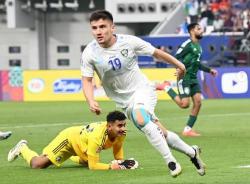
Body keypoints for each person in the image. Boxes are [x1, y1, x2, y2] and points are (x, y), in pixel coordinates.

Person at [80, 10, 206, 177]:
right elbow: (87, 80)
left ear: (112, 27)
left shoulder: (129, 42)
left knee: (140, 116)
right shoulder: (90, 52)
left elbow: (157, 53)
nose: (98, 31)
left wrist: (180, 65)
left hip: (143, 90)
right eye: (94, 28)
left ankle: (171, 162)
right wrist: (90, 100)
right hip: (124, 102)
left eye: (103, 27)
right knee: (161, 132)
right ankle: (192, 153)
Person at [8, 111, 138, 170]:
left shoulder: (121, 134)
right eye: (119, 126)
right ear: (109, 126)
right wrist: (111, 167)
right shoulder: (97, 137)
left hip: (83, 144)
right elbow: (93, 167)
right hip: (69, 139)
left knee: (90, 161)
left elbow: (118, 149)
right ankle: (22, 148)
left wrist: (121, 162)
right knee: (38, 164)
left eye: (124, 125)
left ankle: (78, 157)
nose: (123, 129)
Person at [156, 23, 217, 137]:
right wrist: (179, 68)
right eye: (199, 29)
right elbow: (175, 58)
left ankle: (187, 130)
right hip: (184, 78)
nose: (201, 30)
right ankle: (166, 87)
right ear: (192, 31)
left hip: (193, 78)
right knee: (184, 105)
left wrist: (209, 70)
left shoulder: (198, 47)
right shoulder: (187, 44)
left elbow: (197, 63)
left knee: (198, 102)